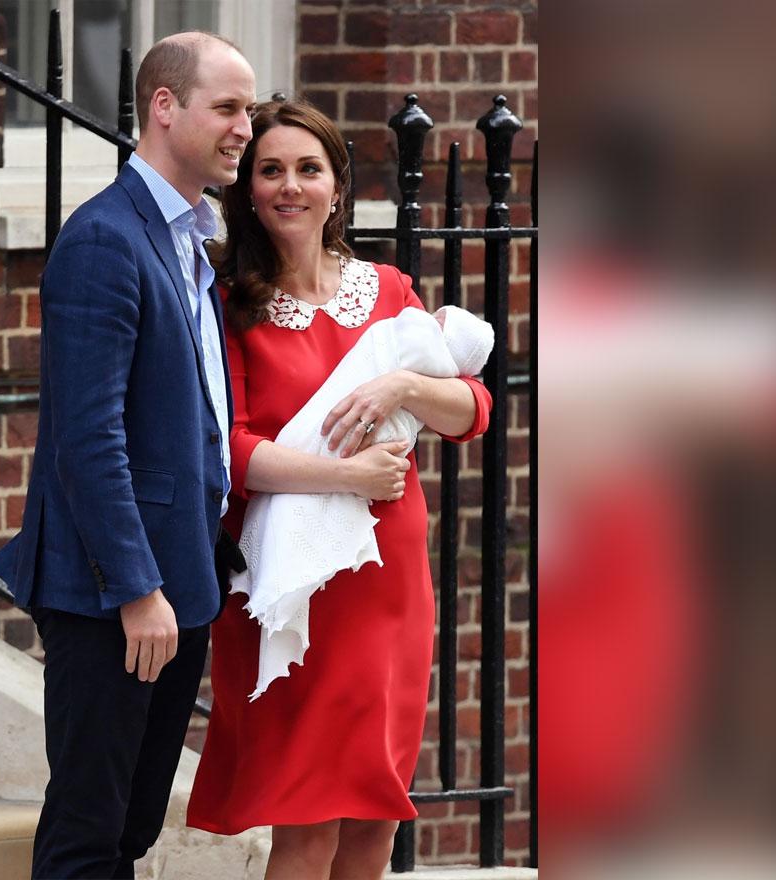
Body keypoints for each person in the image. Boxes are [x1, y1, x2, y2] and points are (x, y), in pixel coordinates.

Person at [184, 100, 493, 880]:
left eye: (307, 169)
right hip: (296, 585)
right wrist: (349, 475)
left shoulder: (388, 291)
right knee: (309, 821)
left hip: (388, 584)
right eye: (271, 170)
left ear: (337, 186)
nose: (291, 186)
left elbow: (472, 410)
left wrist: (398, 385)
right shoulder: (230, 304)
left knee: (372, 819)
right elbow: (230, 450)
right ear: (248, 189)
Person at [0, 32, 255, 880]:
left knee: (132, 827)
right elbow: (87, 437)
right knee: (88, 836)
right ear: (165, 107)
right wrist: (138, 590)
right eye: (229, 107)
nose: (245, 127)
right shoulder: (105, 239)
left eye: (249, 109)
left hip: (182, 583)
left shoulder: (191, 241)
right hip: (115, 596)